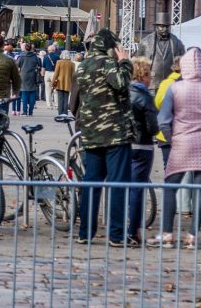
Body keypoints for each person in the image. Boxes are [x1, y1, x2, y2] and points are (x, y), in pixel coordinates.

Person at [153, 48, 201, 248]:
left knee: (171, 186)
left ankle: (167, 232)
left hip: (181, 143)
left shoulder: (175, 88)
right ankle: (193, 235)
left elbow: (163, 120)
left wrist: (171, 137)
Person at [74, 29, 134, 246]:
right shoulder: (108, 63)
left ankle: (85, 232)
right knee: (118, 184)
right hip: (114, 132)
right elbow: (121, 82)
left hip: (91, 132)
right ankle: (116, 235)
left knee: (91, 183)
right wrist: (125, 62)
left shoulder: (83, 67)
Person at [127, 56, 159, 243]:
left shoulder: (123, 92)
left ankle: (118, 227)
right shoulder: (145, 96)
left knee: (122, 186)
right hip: (142, 145)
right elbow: (152, 126)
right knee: (137, 189)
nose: (150, 79)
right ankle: (134, 230)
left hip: (124, 144)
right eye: (149, 74)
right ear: (143, 75)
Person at [136, 12, 186, 87]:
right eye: (162, 26)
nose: (165, 29)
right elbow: (138, 64)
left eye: (166, 26)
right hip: (151, 84)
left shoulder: (177, 42)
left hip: (170, 83)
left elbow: (183, 62)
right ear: (156, 27)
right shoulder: (145, 42)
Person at [16, 42, 41, 116]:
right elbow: (39, 64)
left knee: (24, 92)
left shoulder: (21, 56)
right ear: (31, 48)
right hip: (33, 75)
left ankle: (24, 111)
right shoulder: (35, 56)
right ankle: (30, 111)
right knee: (32, 92)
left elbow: (17, 65)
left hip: (23, 75)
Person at [52, 50, 76, 116]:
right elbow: (73, 75)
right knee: (66, 99)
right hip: (68, 83)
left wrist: (53, 82)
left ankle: (60, 114)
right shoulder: (72, 63)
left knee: (60, 99)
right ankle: (65, 114)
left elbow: (56, 73)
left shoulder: (59, 62)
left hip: (59, 83)